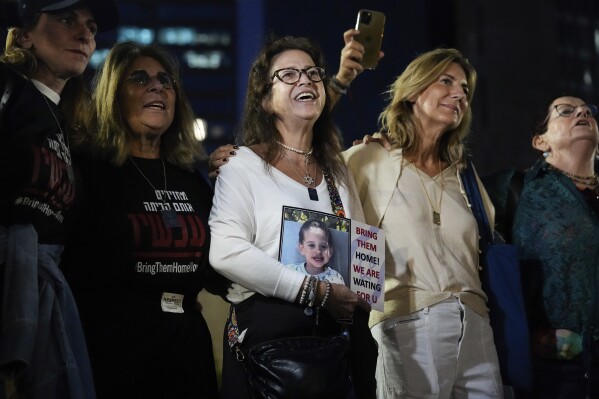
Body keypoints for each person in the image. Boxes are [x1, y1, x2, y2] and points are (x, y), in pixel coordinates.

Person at [208, 35, 378, 398]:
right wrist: (315, 292)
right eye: (289, 74)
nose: (305, 80)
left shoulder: (338, 171)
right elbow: (225, 251)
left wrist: (365, 292)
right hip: (271, 345)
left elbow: (361, 254)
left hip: (337, 344)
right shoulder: (242, 164)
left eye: (313, 73)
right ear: (265, 100)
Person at [60, 42, 223, 398]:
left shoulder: (190, 178)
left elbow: (219, 267)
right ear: (113, 96)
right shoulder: (87, 170)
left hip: (186, 353)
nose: (158, 86)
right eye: (140, 79)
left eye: (166, 80)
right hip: (114, 354)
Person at [342, 48, 503, 398]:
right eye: (446, 81)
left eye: (464, 88)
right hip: (407, 321)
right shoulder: (369, 158)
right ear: (413, 92)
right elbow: (307, 182)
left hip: (476, 324)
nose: (459, 94)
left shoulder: (465, 174)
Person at [0, 0, 117, 397]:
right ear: (26, 34)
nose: (85, 34)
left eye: (91, 26)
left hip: (44, 291)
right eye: (66, 20)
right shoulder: (7, 89)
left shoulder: (67, 124)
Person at [500, 95, 599, 398]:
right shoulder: (516, 188)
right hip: (557, 372)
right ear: (540, 141)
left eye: (587, 111)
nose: (582, 111)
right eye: (566, 111)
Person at [285, 219, 345, 285]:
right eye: (311, 245)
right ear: (302, 248)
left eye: (323, 246)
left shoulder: (335, 278)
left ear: (330, 251)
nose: (318, 251)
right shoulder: (291, 271)